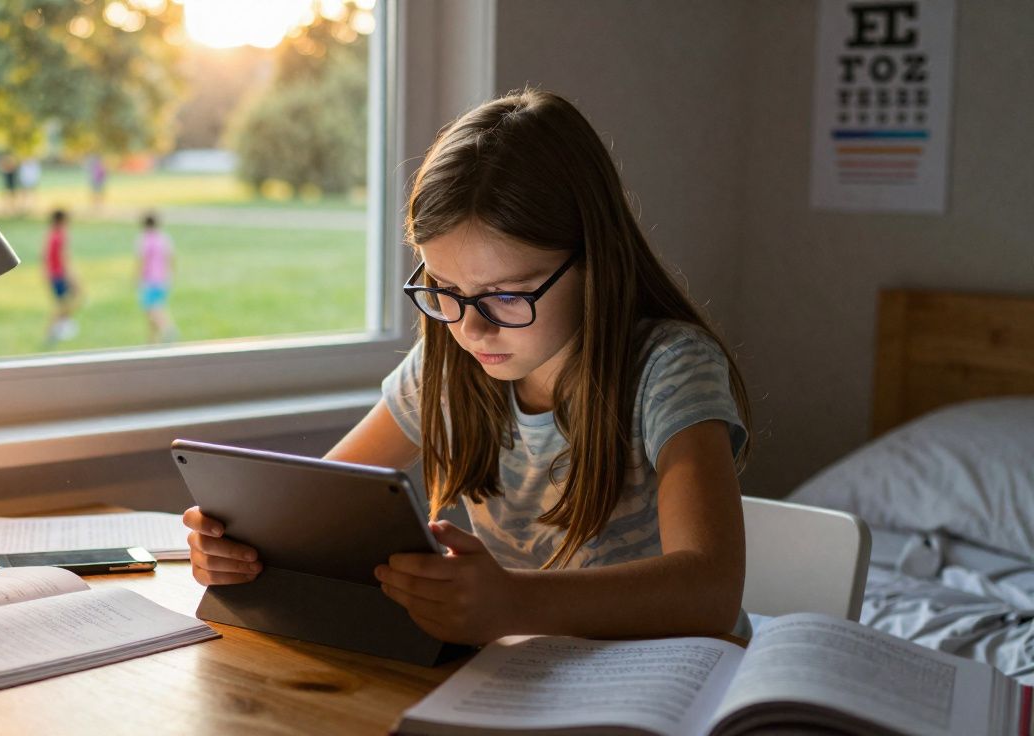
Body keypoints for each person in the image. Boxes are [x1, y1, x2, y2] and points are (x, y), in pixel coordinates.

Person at [182, 89, 754, 645]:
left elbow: (710, 590)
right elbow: (315, 510)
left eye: (508, 294)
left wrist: (512, 602)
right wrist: (250, 547)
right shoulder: (447, 360)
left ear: (594, 261)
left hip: (661, 678)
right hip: (518, 672)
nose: (471, 329)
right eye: (446, 289)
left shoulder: (670, 368)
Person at [137, 211, 176, 343]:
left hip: (149, 280)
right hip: (163, 279)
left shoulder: (145, 239)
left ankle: (167, 328)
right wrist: (170, 274)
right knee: (155, 308)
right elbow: (170, 258)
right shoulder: (164, 239)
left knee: (152, 309)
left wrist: (137, 276)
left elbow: (142, 260)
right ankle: (152, 341)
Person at [43, 209, 81, 344]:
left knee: (64, 304)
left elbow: (45, 256)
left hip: (54, 274)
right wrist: (73, 278)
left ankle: (59, 328)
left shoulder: (51, 234)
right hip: (60, 275)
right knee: (67, 303)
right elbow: (64, 258)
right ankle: (55, 331)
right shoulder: (60, 236)